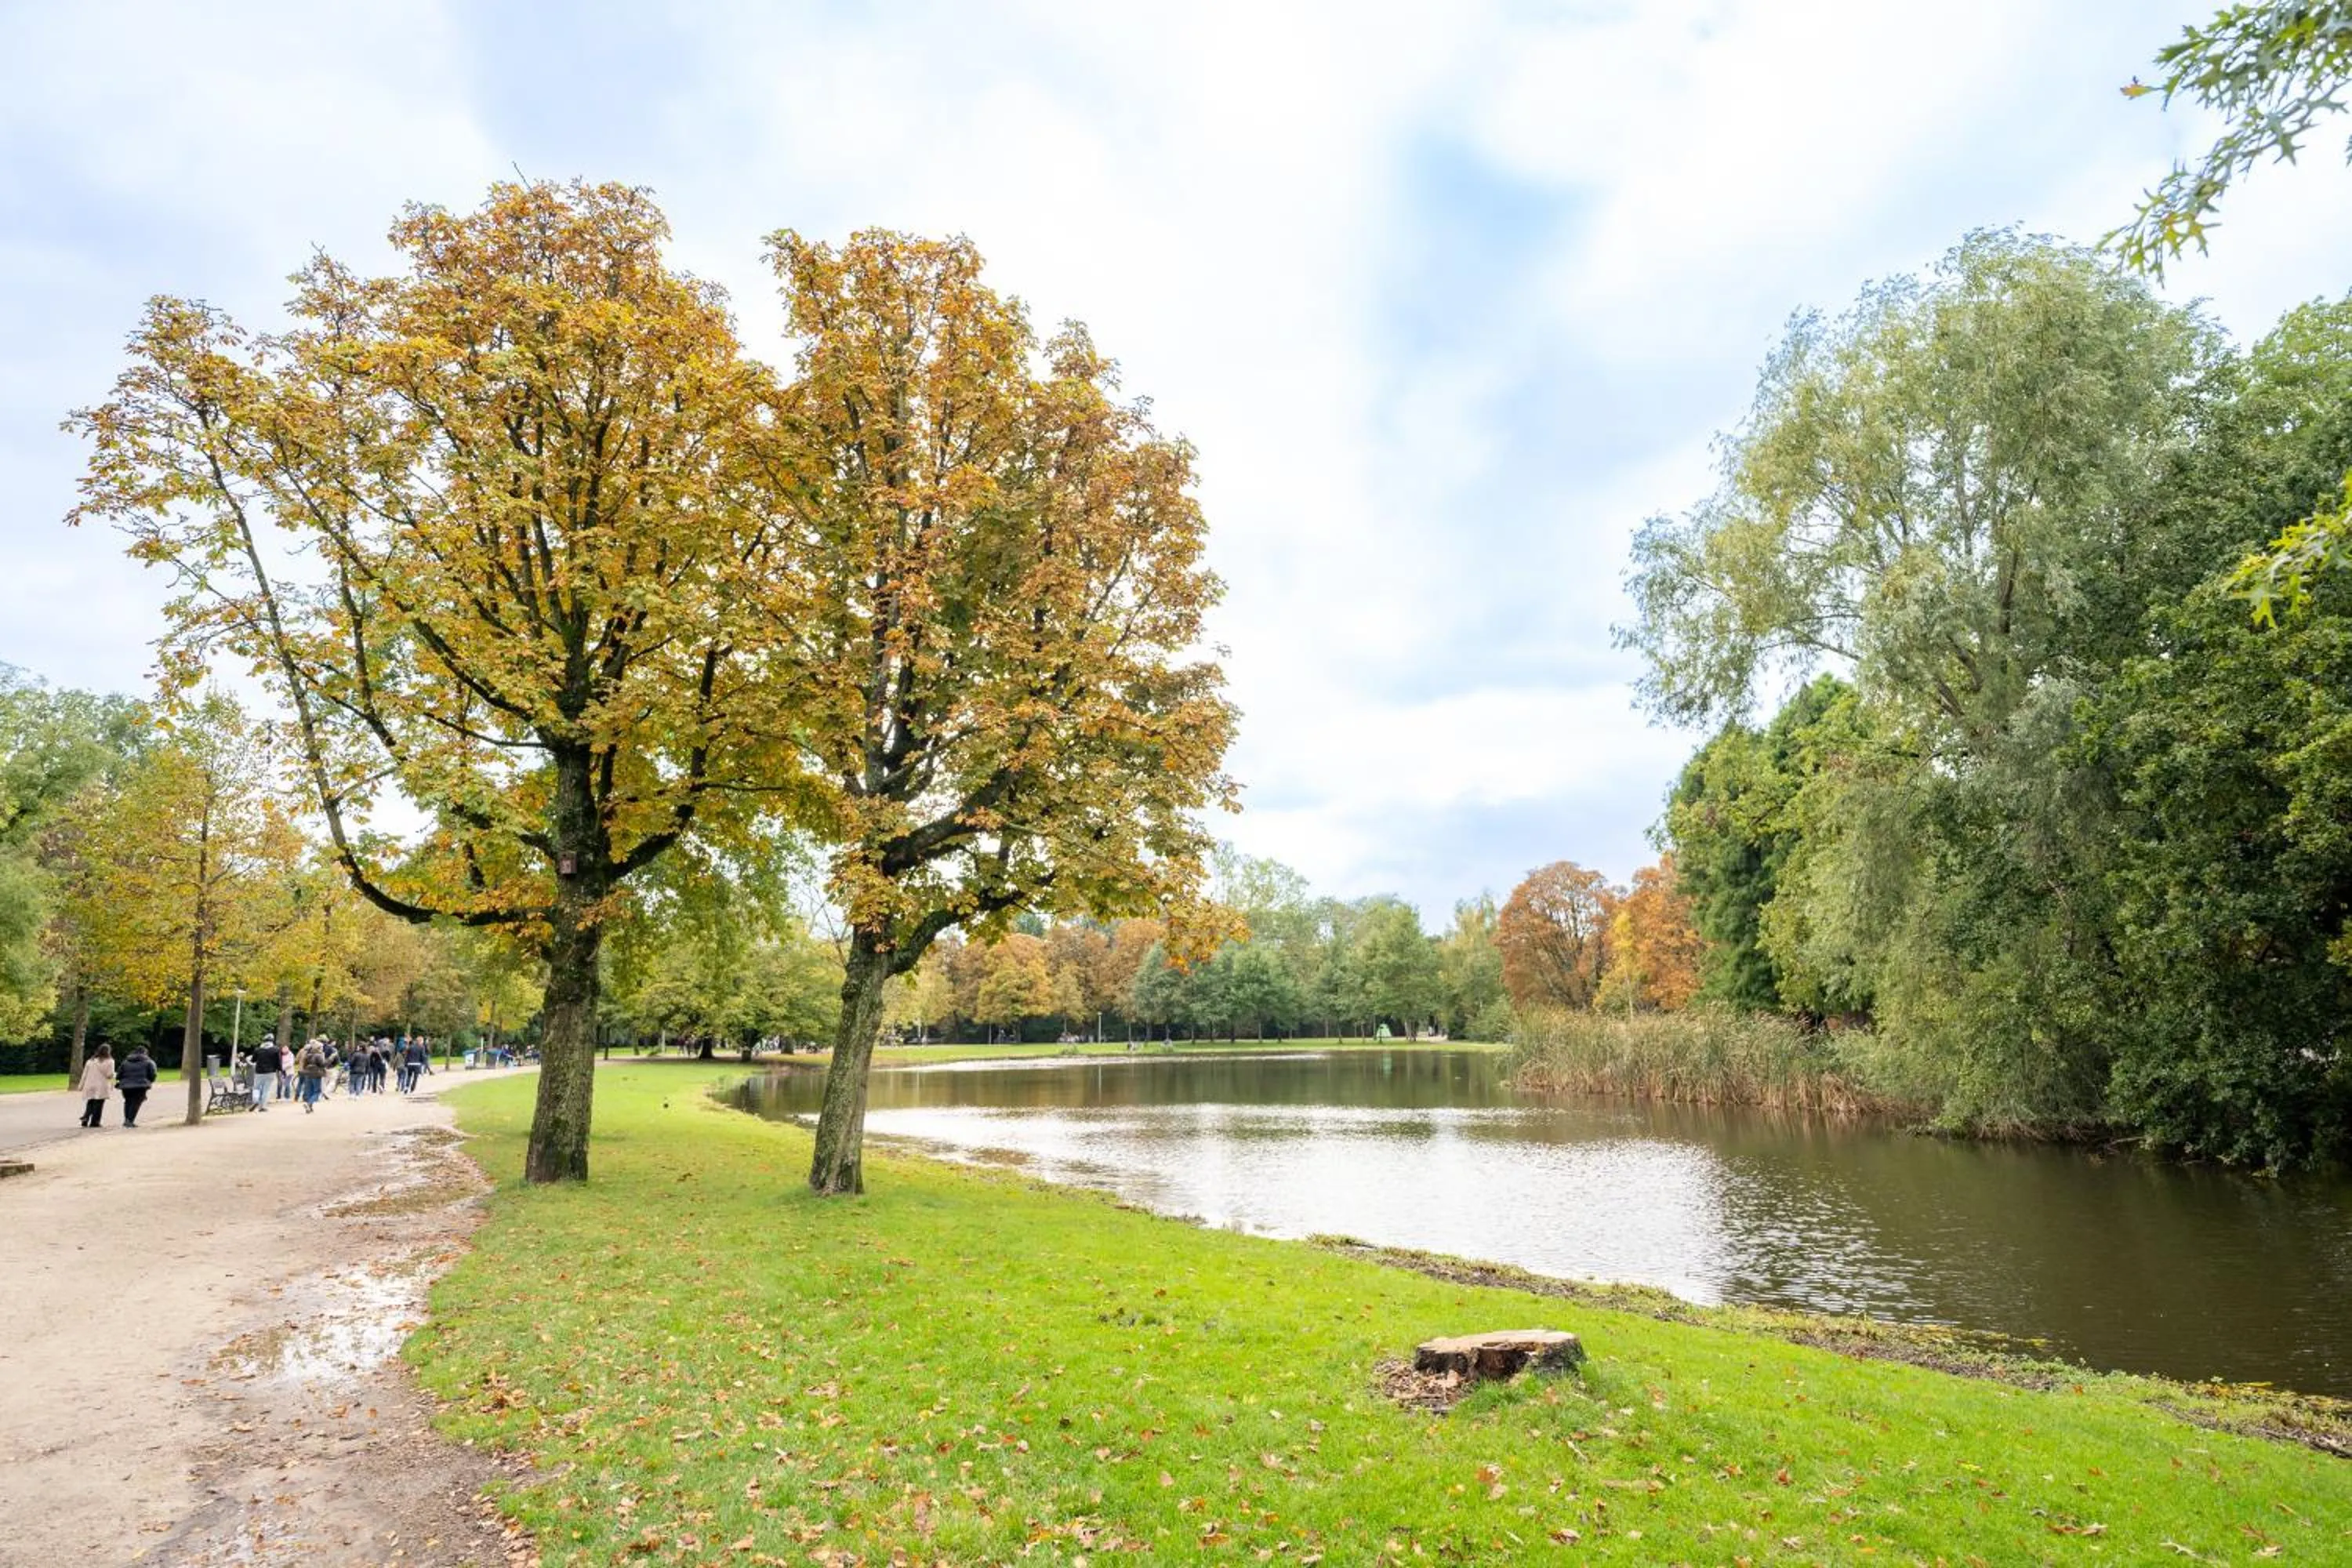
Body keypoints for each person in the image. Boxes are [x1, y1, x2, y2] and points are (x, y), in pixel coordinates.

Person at [117, 1045, 158, 1127]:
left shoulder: (125, 1062)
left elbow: (119, 1075)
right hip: (141, 1085)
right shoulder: (148, 1062)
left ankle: (126, 1120)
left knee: (128, 1102)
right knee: (136, 1103)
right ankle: (130, 1121)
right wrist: (149, 1081)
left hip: (126, 1086)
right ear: (145, 1053)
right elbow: (153, 1074)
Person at [77, 1045, 114, 1128]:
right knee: (99, 1104)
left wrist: (81, 1086)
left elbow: (84, 1074)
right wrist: (114, 1075)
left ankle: (86, 1117)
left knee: (90, 1102)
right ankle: (95, 1122)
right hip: (102, 1085)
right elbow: (109, 1075)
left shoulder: (90, 1061)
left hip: (90, 1084)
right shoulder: (110, 1061)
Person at [249, 1037, 283, 1112]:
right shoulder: (276, 1050)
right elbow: (278, 1062)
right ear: (272, 1041)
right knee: (266, 1090)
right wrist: (280, 1070)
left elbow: (253, 1060)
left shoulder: (258, 1050)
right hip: (271, 1072)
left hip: (259, 1072)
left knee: (256, 1088)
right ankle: (262, 1107)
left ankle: (255, 1101)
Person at [296, 1039, 328, 1112]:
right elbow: (323, 1065)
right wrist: (329, 1060)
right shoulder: (319, 1055)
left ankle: (309, 1106)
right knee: (317, 1091)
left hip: (308, 1074)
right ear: (318, 1048)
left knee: (310, 1091)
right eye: (321, 1047)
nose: (322, 1048)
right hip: (316, 1074)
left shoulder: (308, 1055)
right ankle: (309, 1103)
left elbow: (304, 1064)